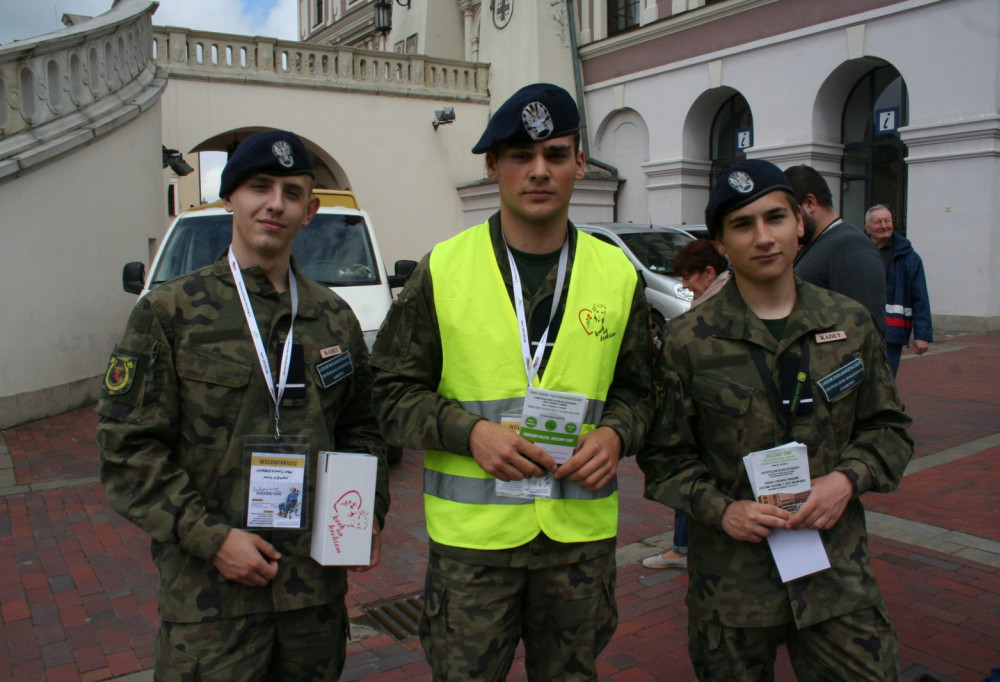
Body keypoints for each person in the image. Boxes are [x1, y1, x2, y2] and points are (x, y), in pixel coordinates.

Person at [370, 83, 655, 681]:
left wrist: (616, 437)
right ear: (493, 166)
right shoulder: (442, 268)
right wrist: (470, 434)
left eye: (555, 154)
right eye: (521, 157)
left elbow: (641, 390)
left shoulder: (616, 274)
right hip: (474, 546)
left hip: (577, 540)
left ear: (580, 162)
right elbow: (389, 392)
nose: (539, 171)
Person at [97, 130, 390, 681]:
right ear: (230, 196)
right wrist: (212, 539)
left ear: (311, 210)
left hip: (313, 600)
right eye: (259, 187)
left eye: (291, 191)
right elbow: (127, 451)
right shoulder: (169, 314)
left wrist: (365, 512)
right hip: (212, 605)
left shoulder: (333, 318)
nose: (275, 203)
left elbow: (363, 430)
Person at [638, 159, 913, 681]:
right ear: (720, 242)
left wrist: (845, 480)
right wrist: (723, 511)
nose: (763, 237)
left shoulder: (848, 323)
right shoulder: (688, 342)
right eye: (742, 225)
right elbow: (663, 458)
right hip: (733, 586)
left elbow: (889, 428)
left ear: (800, 223)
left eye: (775, 218)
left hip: (836, 572)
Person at [641, 239, 730, 570]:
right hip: (705, 413)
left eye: (689, 277)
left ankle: (684, 548)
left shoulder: (717, 306)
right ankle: (683, 546)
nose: (684, 285)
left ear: (709, 273)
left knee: (691, 474)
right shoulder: (717, 298)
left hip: (708, 416)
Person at [784, 164, 887, 332]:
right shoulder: (820, 243)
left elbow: (865, 329)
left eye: (789, 213)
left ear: (810, 203)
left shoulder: (851, 247)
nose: (787, 224)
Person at [865, 204, 933, 375]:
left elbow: (920, 297)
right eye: (878, 222)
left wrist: (922, 335)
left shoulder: (909, 258)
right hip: (860, 329)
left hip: (891, 332)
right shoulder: (856, 252)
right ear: (867, 228)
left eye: (887, 220)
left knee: (885, 382)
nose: (884, 225)